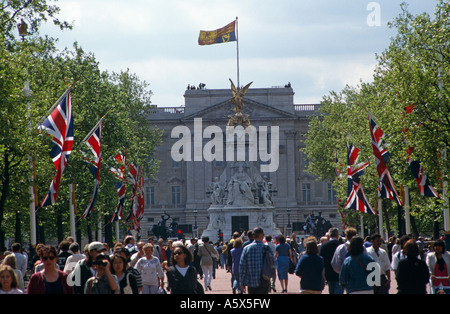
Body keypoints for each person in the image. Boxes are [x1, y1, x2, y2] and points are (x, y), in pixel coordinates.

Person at [239, 227, 273, 294]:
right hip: (264, 280)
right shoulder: (267, 248)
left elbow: (242, 266)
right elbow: (273, 264)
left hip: (251, 281)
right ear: (260, 235)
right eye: (263, 234)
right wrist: (270, 277)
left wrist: (242, 282)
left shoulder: (246, 248)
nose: (263, 236)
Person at [319, 227, 343, 294]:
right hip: (339, 273)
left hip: (328, 272)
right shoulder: (341, 244)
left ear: (329, 235)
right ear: (337, 235)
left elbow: (321, 260)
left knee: (331, 291)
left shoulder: (324, 245)